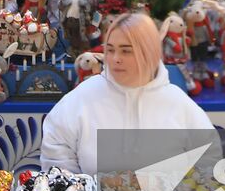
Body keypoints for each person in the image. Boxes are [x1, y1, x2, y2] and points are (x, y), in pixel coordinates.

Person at [42, 11, 216, 175]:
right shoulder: (81, 98)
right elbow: (56, 153)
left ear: (149, 53)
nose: (115, 58)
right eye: (110, 50)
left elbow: (209, 159)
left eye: (126, 51)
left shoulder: (178, 103)